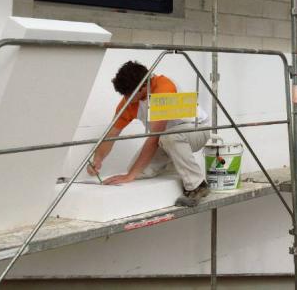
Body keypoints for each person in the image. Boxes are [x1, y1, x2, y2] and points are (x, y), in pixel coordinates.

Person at [88, 60, 211, 207]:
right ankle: (180, 174)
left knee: (167, 138)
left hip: (196, 130)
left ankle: (197, 186)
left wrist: (129, 176)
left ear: (144, 86)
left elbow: (154, 139)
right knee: (139, 171)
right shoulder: (129, 102)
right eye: (125, 95)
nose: (127, 100)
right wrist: (97, 159)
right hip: (168, 139)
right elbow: (111, 134)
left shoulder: (163, 88)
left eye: (129, 95)